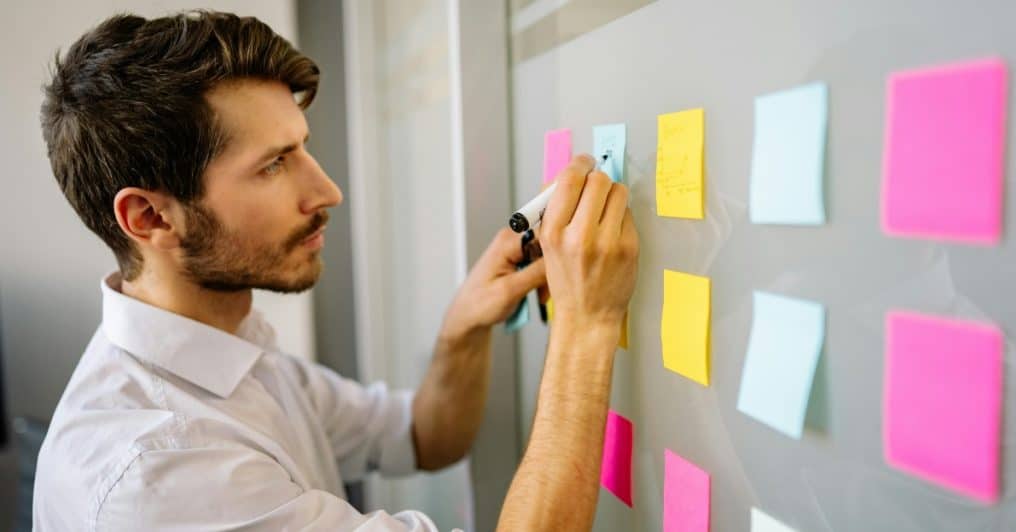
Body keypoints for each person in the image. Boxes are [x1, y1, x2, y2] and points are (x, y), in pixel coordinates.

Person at [32, 10, 637, 532]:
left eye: (302, 148)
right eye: (273, 165)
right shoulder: (158, 469)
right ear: (149, 217)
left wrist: (464, 328)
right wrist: (586, 326)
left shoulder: (232, 350)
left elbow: (424, 435)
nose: (327, 190)